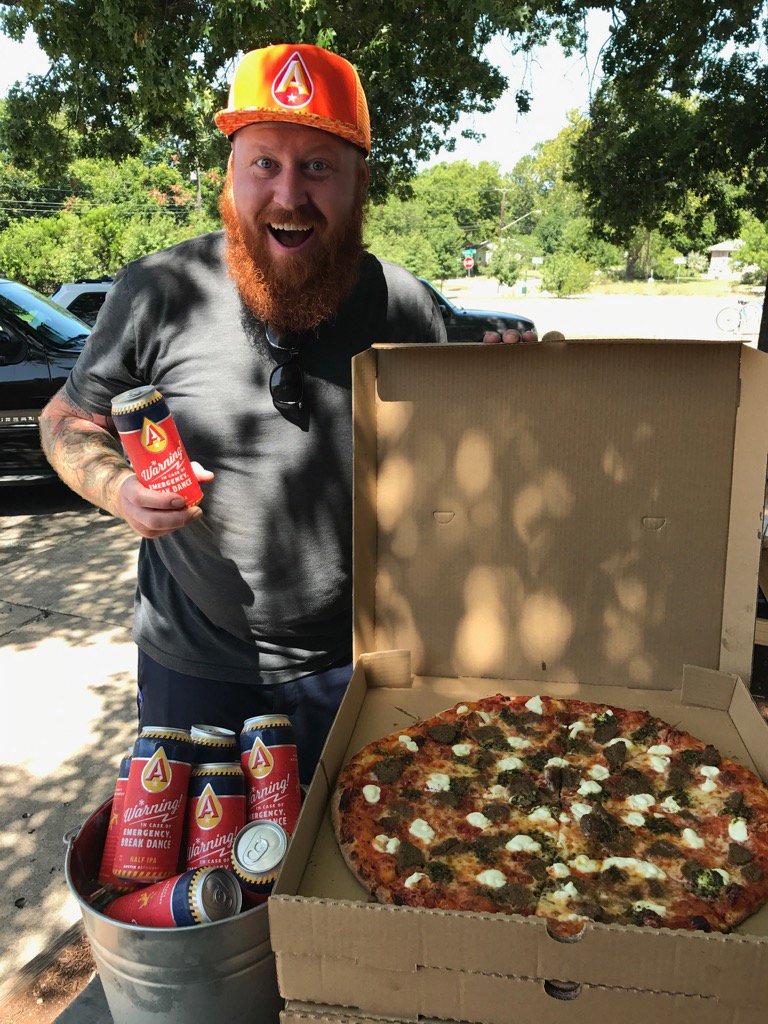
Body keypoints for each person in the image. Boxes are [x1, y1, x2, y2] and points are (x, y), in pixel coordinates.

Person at [40, 43, 533, 782]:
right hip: (191, 663)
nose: (288, 194)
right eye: (264, 163)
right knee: (195, 881)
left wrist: (512, 389)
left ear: (360, 183)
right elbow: (67, 420)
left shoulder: (407, 307)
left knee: (339, 866)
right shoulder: (157, 291)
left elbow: (465, 468)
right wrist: (120, 491)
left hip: (352, 663)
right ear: (229, 177)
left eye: (319, 166)